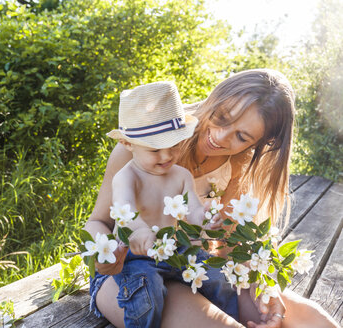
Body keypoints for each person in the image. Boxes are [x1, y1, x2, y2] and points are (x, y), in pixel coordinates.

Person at [85, 69, 340, 328]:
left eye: (241, 136)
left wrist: (259, 283)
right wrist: (106, 254)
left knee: (307, 319)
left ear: (259, 144)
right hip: (130, 273)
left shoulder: (235, 164)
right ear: (214, 98)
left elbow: (226, 245)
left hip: (193, 267)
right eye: (221, 117)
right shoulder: (142, 144)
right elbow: (97, 222)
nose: (220, 137)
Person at [91, 81, 239, 328]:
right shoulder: (127, 177)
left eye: (174, 146)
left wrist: (205, 219)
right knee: (146, 294)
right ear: (128, 144)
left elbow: (191, 208)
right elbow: (124, 210)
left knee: (220, 279)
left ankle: (232, 316)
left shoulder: (180, 175)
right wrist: (138, 230)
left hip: (175, 249)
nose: (167, 156)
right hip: (137, 255)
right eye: (155, 149)